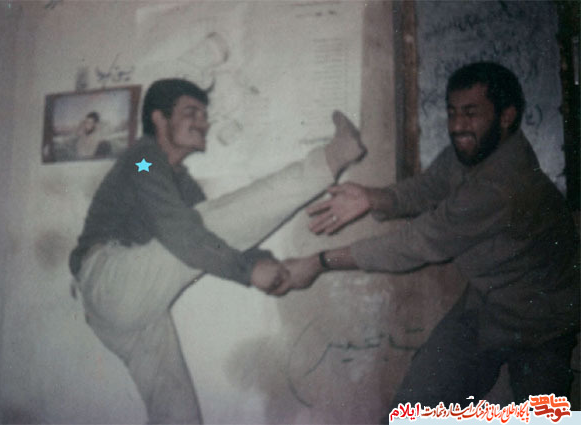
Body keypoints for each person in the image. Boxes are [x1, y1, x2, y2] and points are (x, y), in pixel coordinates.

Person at [278, 62, 580, 409]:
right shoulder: (475, 150)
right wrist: (373, 198)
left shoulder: (503, 184)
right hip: (486, 305)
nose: (457, 126)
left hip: (544, 321)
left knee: (542, 416)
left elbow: (415, 244)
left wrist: (320, 262)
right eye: (452, 112)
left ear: (506, 116)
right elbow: (428, 187)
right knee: (415, 408)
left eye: (471, 113)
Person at [69, 78, 365, 424]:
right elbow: (184, 234)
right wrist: (249, 271)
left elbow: (219, 237)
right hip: (111, 279)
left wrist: (271, 266)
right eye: (190, 112)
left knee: (177, 414)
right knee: (201, 225)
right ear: (159, 119)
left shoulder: (179, 183)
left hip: (129, 312)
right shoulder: (142, 161)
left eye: (204, 114)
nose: (203, 122)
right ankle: (328, 160)